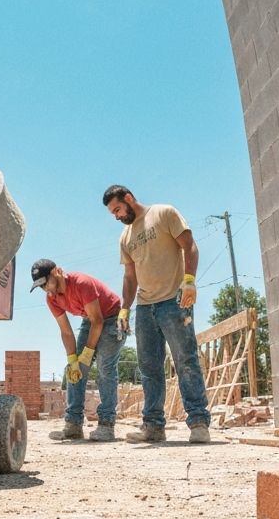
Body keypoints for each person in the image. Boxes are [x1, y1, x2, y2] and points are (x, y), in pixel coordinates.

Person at [102, 185, 211, 443]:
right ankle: (153, 426)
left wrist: (189, 281)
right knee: (149, 367)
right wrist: (125, 309)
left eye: (117, 209)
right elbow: (130, 276)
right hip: (145, 307)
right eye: (113, 213)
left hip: (174, 300)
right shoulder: (125, 237)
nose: (117, 216)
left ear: (129, 198)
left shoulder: (164, 213)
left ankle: (198, 423)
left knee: (185, 360)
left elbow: (189, 245)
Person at [30, 259, 126, 442]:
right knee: (74, 371)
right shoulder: (51, 298)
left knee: (105, 368)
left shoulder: (82, 283)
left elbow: (98, 321)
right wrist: (73, 360)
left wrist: (87, 355)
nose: (46, 289)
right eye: (41, 286)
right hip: (90, 320)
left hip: (111, 319)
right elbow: (66, 331)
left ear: (57, 272)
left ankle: (106, 425)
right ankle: (73, 425)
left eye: (46, 282)